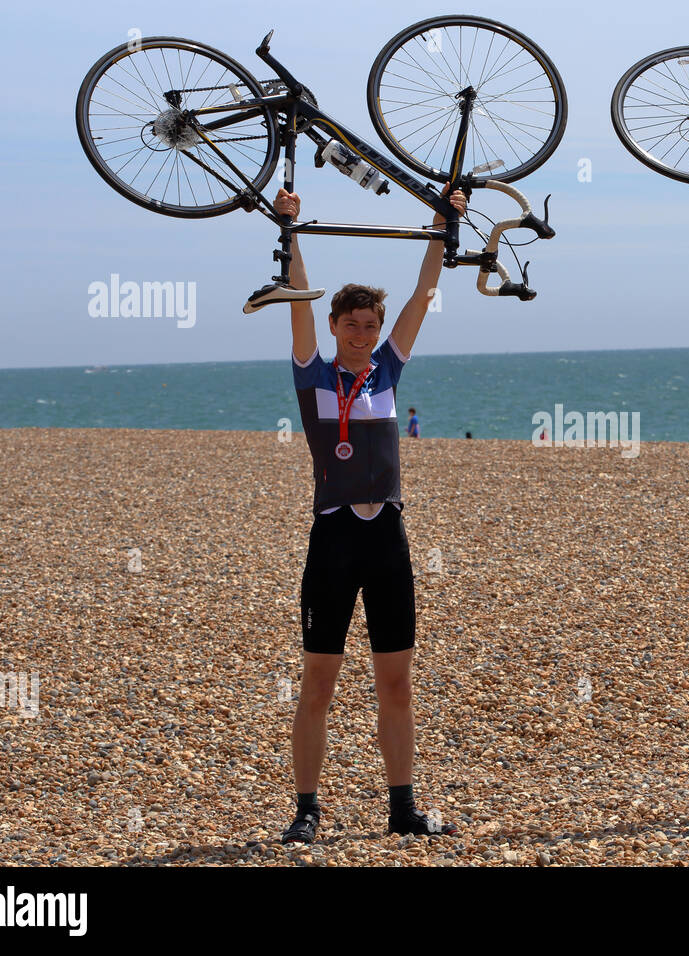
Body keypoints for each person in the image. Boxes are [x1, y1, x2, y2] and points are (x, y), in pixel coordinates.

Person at [277, 185, 466, 843]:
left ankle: (402, 808)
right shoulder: (313, 375)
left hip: (388, 535)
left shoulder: (387, 369)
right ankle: (306, 810)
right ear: (333, 327)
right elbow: (298, 297)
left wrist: (443, 228)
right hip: (332, 538)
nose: (361, 333)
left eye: (370, 325)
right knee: (318, 683)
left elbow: (422, 297)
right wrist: (289, 229)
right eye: (350, 324)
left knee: (397, 686)